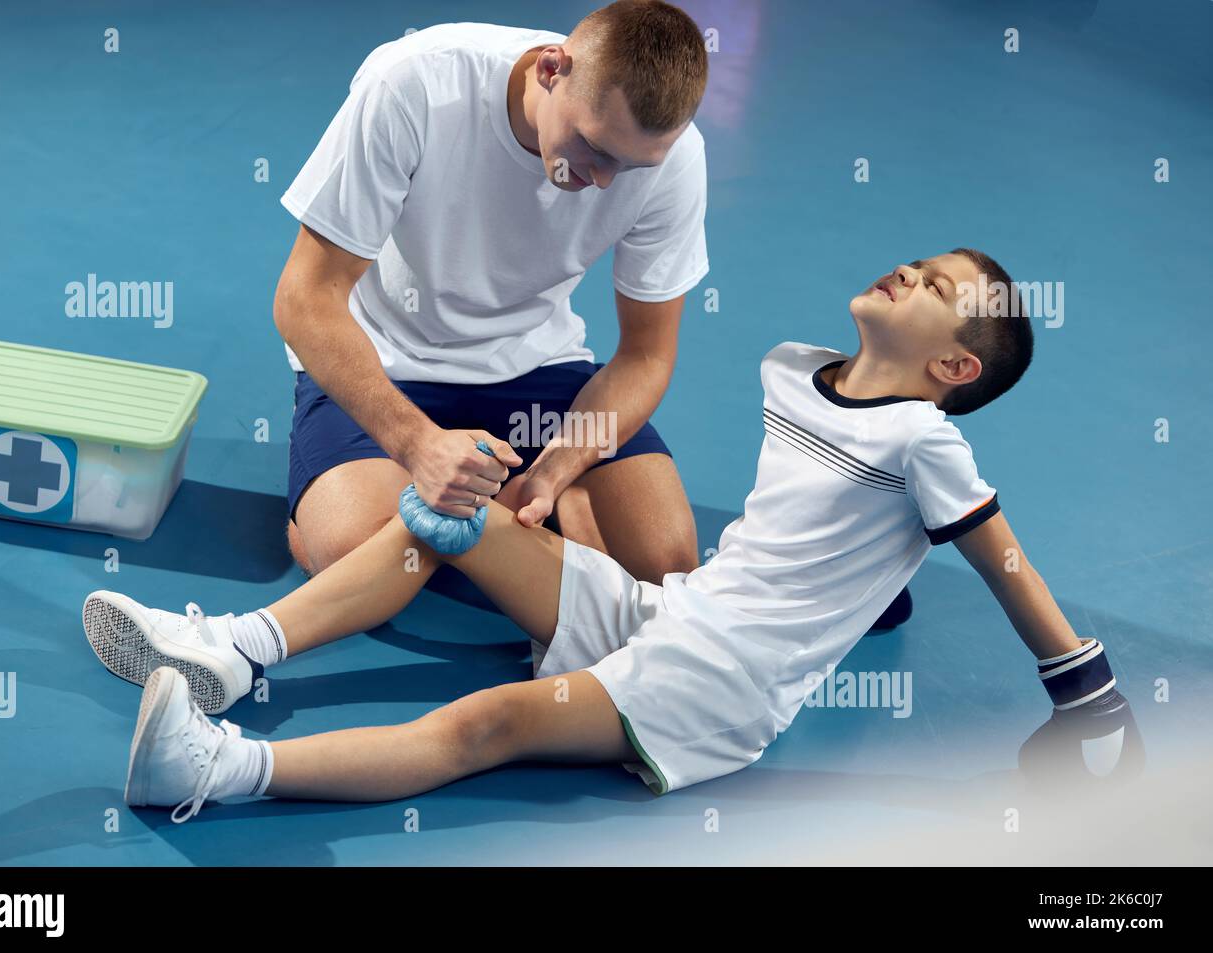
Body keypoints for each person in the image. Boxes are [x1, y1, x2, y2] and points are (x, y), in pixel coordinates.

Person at [84, 250, 1139, 822]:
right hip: (672, 613)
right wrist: (870, 583)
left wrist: (1082, 695)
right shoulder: (794, 368)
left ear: (956, 372)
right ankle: (232, 650)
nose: (910, 273)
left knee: (485, 723)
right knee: (447, 518)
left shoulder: (922, 438)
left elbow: (998, 558)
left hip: (716, 682)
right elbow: (819, 521)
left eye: (939, 290)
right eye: (918, 261)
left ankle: (215, 772)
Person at [275, 1, 710, 586]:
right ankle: (509, 518)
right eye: (596, 149)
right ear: (551, 69)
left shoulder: (674, 158)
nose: (602, 181)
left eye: (631, 168)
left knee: (664, 566)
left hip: (537, 368)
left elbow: (646, 355)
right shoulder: (414, 83)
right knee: (352, 554)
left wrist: (560, 465)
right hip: (387, 363)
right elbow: (306, 299)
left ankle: (501, 507)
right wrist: (418, 445)